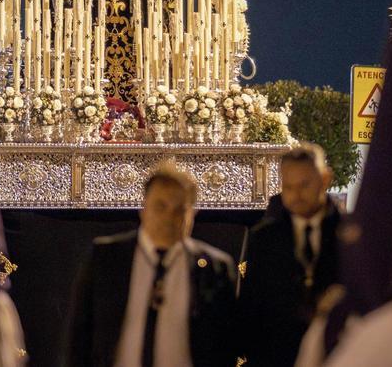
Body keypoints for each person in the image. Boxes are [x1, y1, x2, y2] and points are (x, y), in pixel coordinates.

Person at [64, 164, 237, 367]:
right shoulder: (106, 257)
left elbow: (225, 346)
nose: (169, 218)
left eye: (180, 209)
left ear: (193, 213)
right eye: (160, 206)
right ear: (143, 208)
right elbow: (79, 337)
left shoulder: (214, 268)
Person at [237, 145, 342, 366]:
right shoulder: (265, 238)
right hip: (277, 355)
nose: (296, 195)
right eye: (288, 187)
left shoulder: (348, 234)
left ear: (324, 180)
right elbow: (252, 304)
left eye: (304, 185)